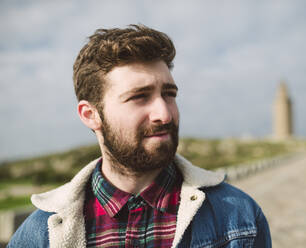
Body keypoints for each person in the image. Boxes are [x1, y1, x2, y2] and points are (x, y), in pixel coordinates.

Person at [7, 24, 271, 248]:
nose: (165, 114)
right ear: (90, 115)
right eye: (139, 97)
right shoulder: (38, 237)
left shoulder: (240, 217)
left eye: (169, 94)